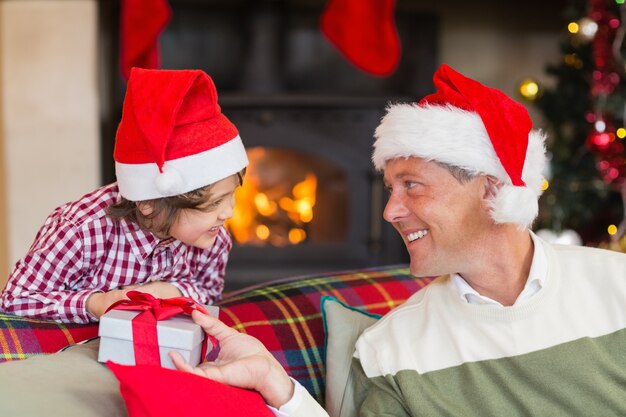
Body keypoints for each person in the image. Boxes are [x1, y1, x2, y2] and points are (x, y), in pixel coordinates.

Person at [170, 64, 626, 416]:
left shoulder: (617, 288)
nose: (389, 211)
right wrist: (280, 387)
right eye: (390, 188)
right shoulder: (390, 350)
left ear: (490, 189)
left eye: (412, 185)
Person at [0, 68, 248, 324]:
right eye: (214, 203)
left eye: (231, 196)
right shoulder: (81, 231)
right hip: (74, 343)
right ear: (149, 204)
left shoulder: (212, 238)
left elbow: (210, 292)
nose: (228, 212)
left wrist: (173, 292)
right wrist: (95, 303)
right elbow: (15, 298)